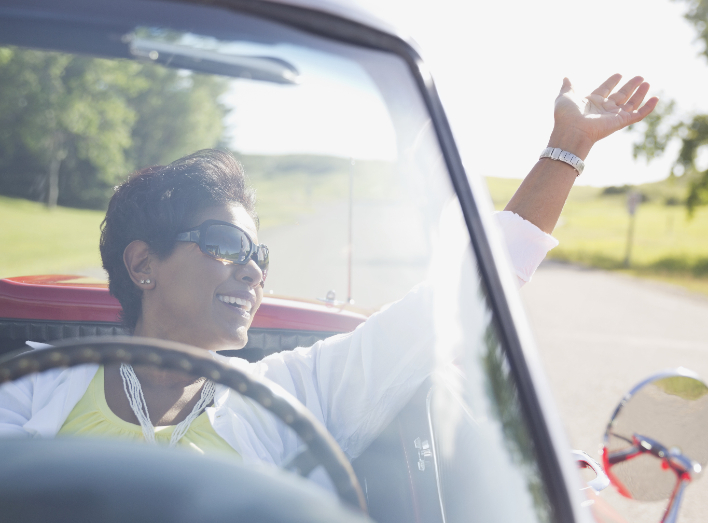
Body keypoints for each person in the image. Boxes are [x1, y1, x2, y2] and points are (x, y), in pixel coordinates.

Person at [0, 75, 657, 466]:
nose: (253, 270)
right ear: (143, 264)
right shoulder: (31, 390)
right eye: (228, 243)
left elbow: (458, 306)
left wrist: (565, 151)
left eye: (260, 253)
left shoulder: (293, 393)